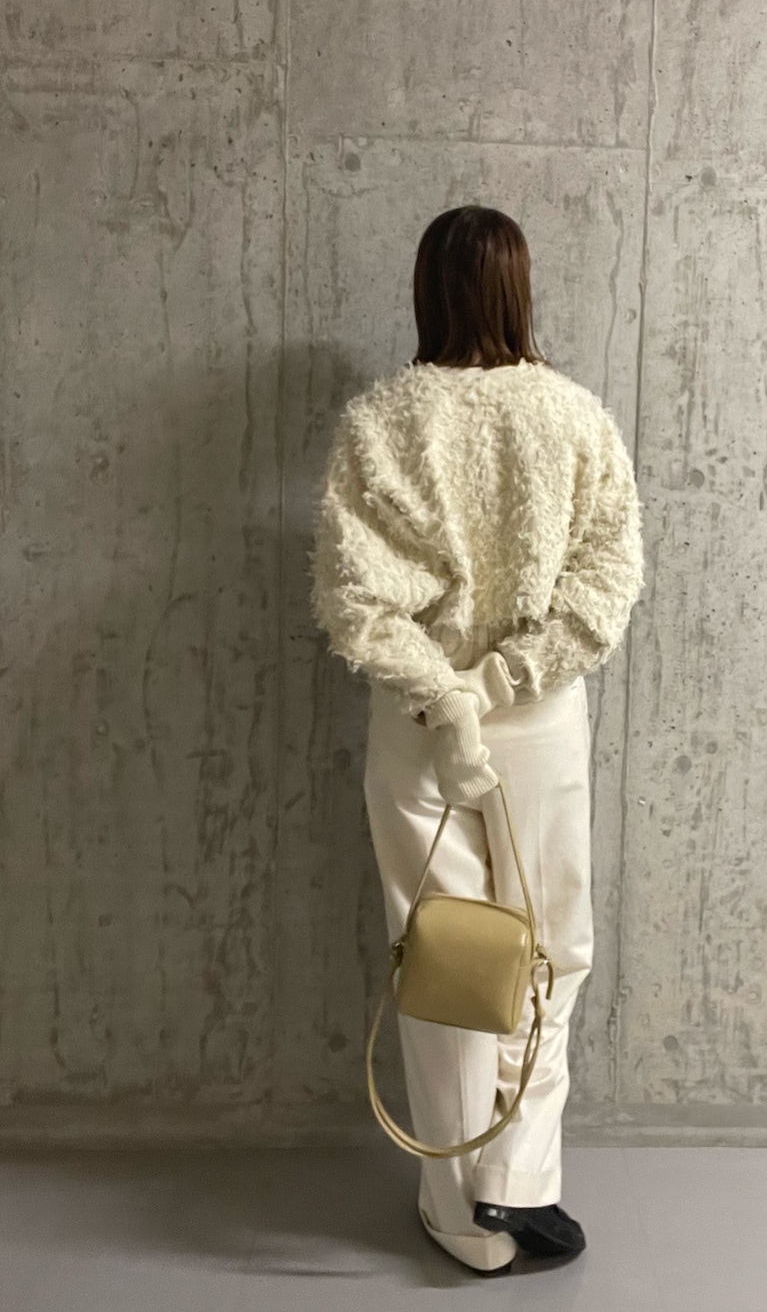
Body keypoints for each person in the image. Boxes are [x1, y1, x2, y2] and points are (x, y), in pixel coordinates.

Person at [309, 204, 644, 1276]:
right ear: (518, 288)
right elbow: (606, 583)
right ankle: (518, 1180)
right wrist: (504, 680)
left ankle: (461, 1211)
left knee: (448, 960)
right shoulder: (576, 417)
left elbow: (355, 598)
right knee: (551, 949)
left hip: (420, 725)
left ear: (427, 289)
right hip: (538, 719)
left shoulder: (380, 422)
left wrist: (451, 698)